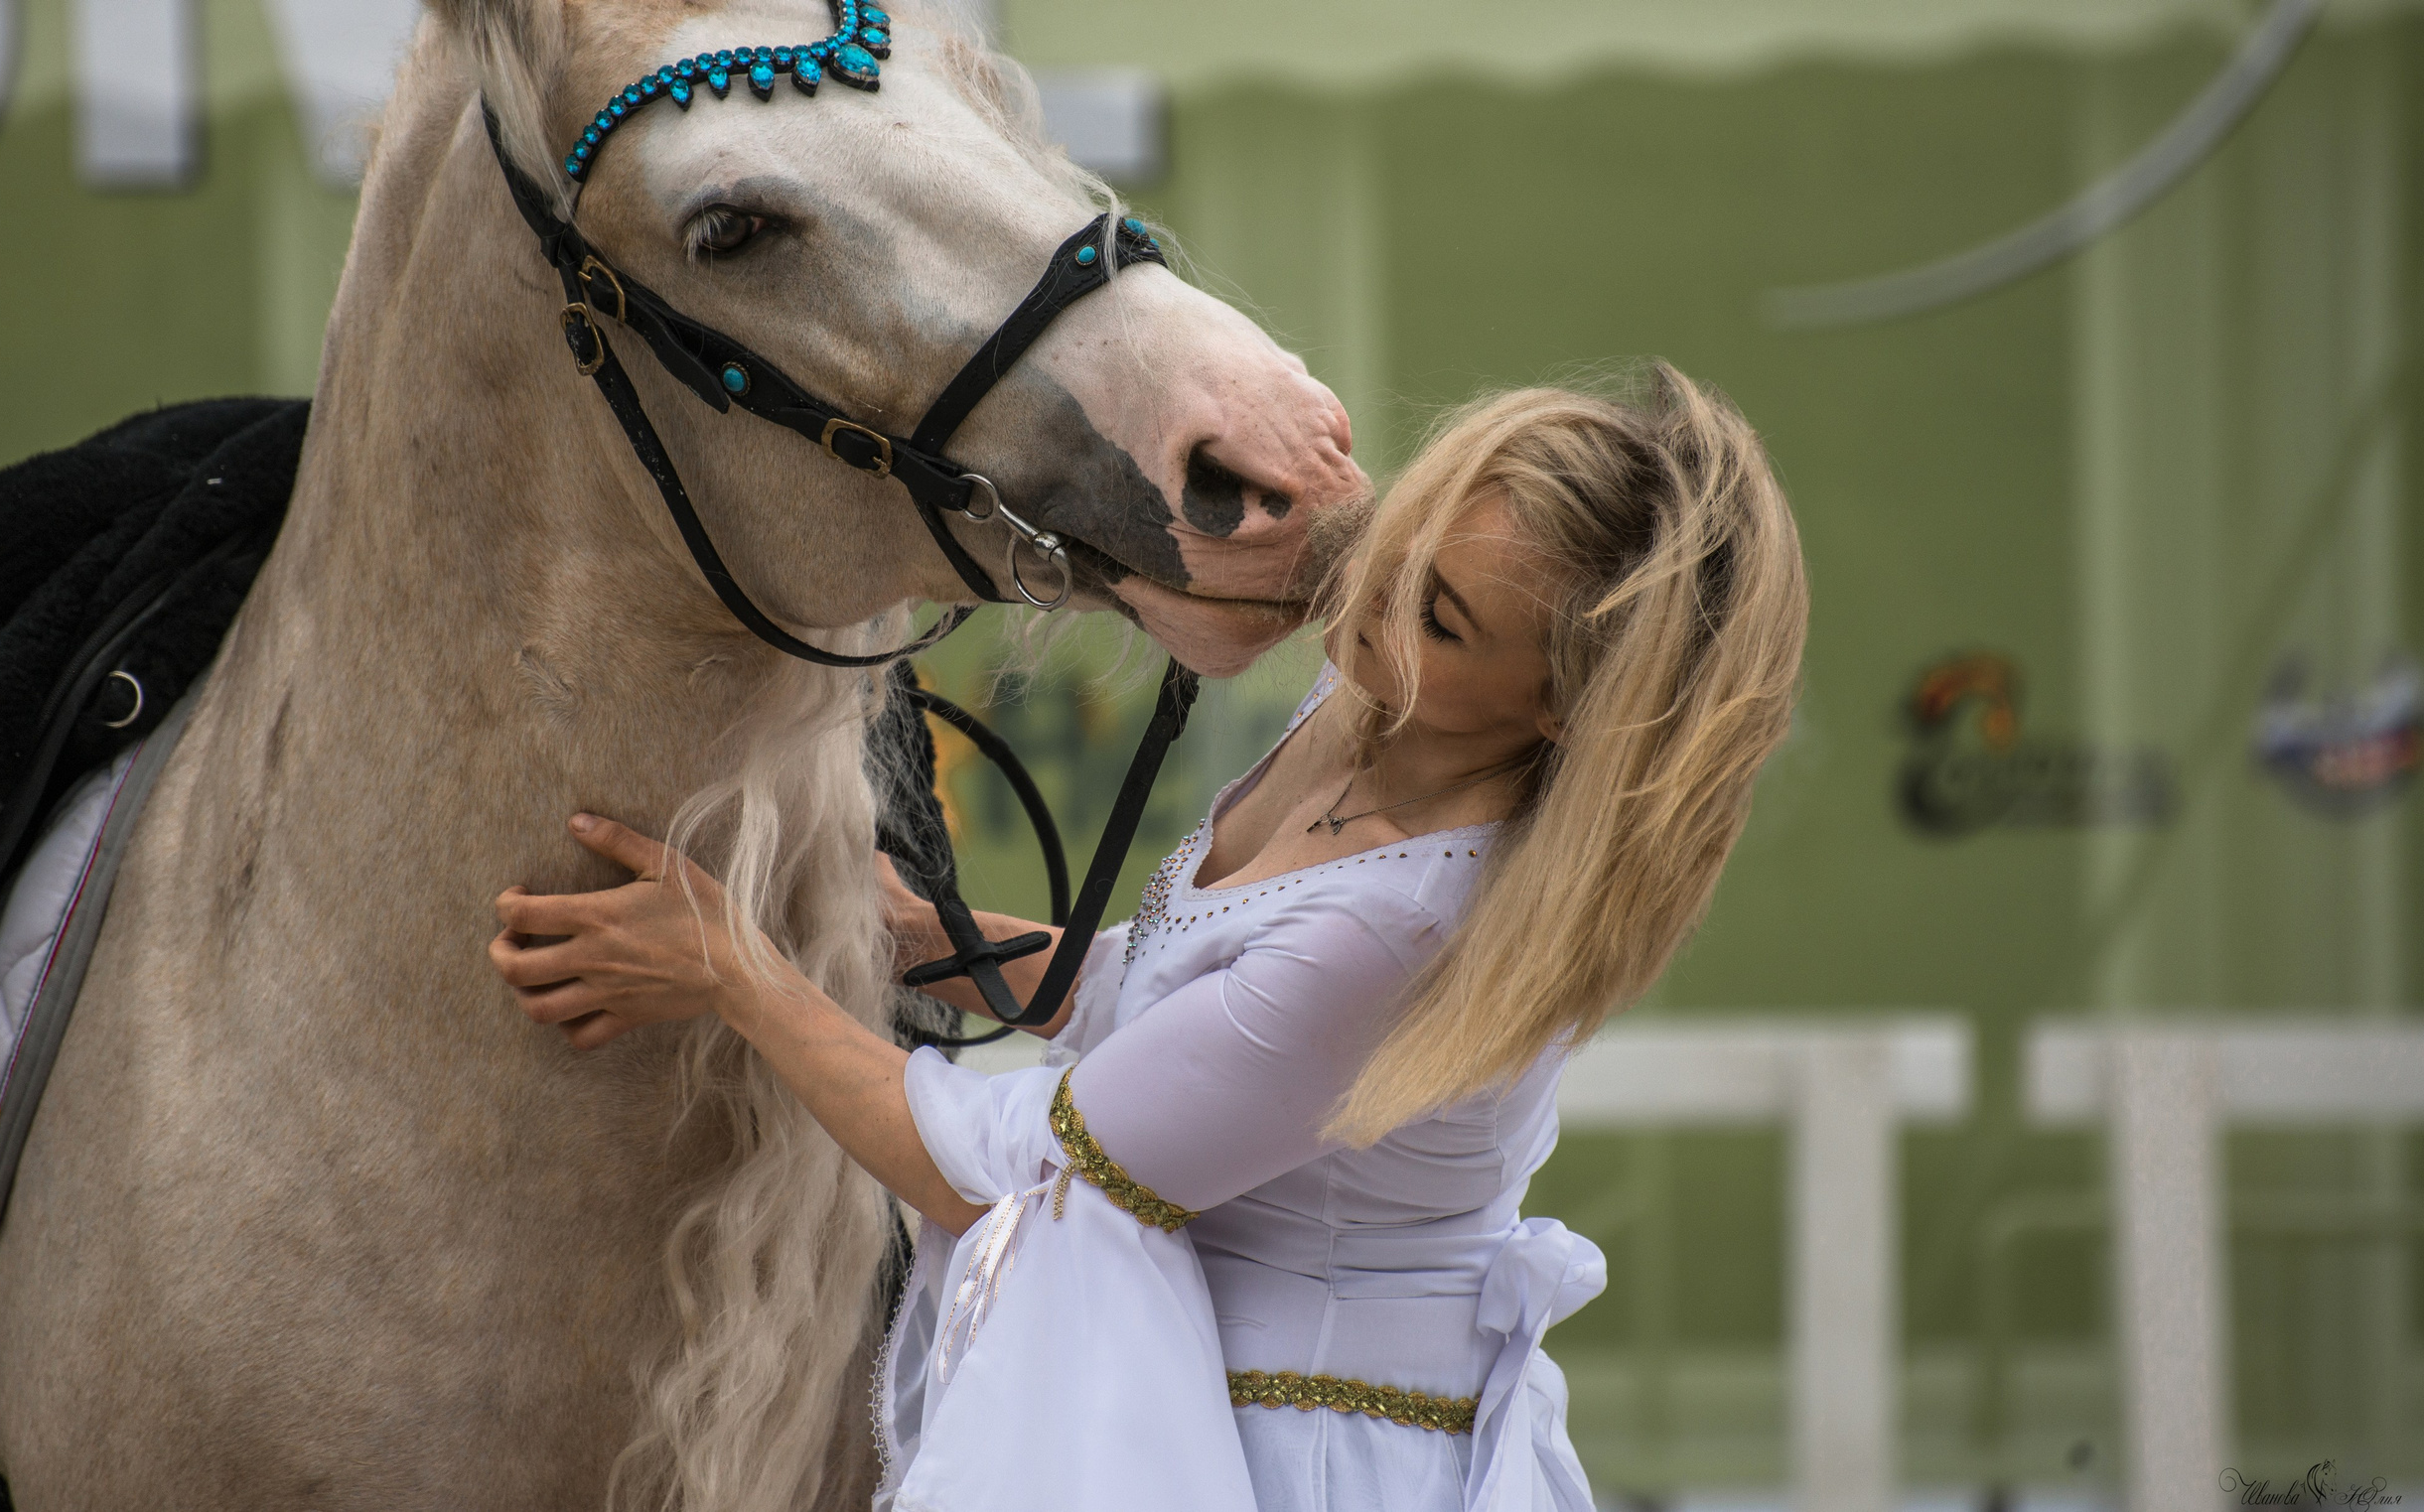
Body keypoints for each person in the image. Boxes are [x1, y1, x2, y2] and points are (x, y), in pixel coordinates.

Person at [488, 366, 1808, 1512]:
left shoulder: (1401, 927)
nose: (1368, 605)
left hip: (1286, 1461)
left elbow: (1015, 1177)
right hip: (1178, 1407)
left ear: (1564, 713)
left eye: (1441, 618)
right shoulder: (1379, 717)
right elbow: (1180, 997)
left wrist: (735, 971)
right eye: (1404, 543)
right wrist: (903, 933)